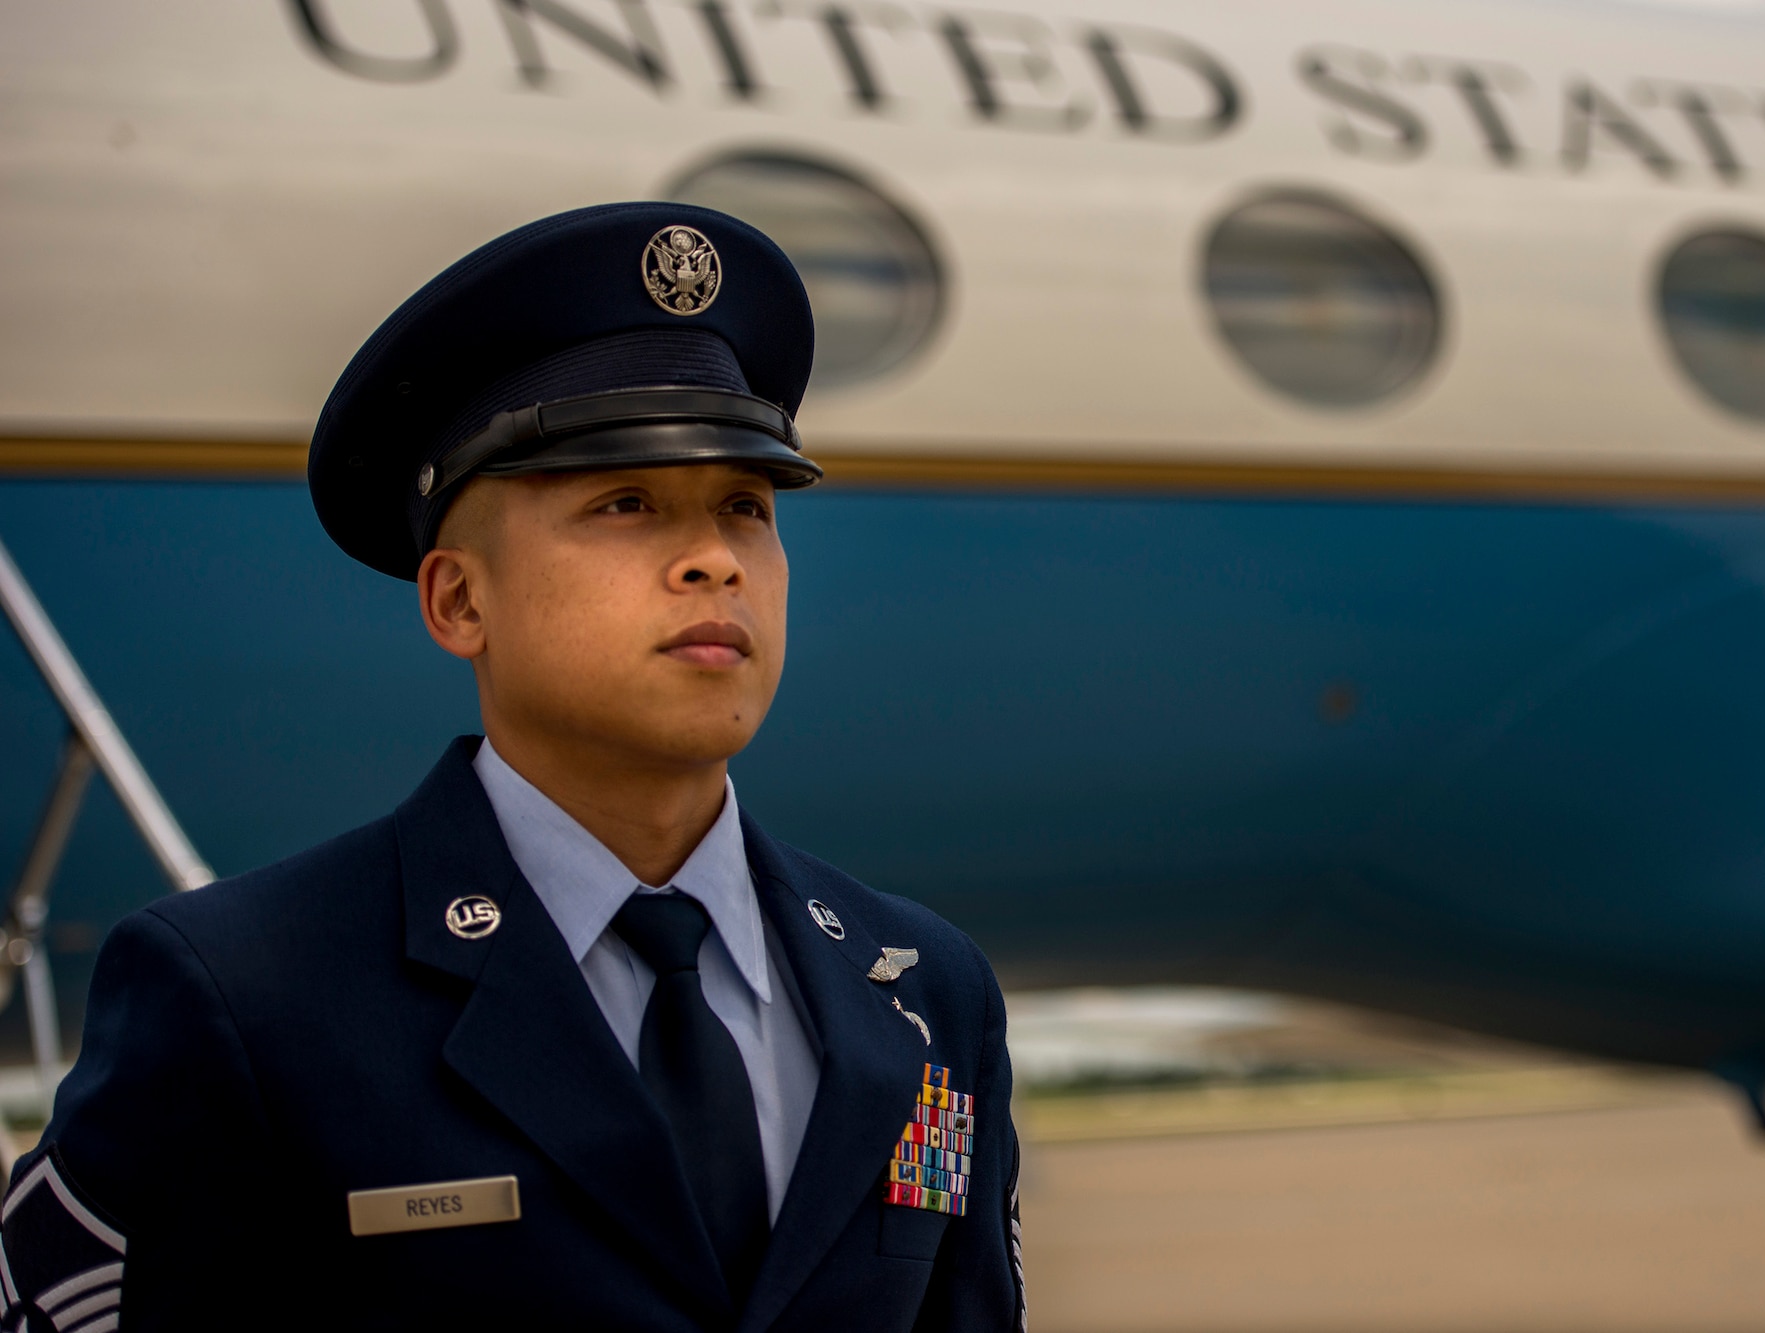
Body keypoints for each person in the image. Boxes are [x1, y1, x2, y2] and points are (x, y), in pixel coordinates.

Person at [0, 203, 1023, 1332]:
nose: (711, 561)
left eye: (745, 507)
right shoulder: (245, 998)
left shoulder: (923, 989)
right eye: (624, 503)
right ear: (458, 599)